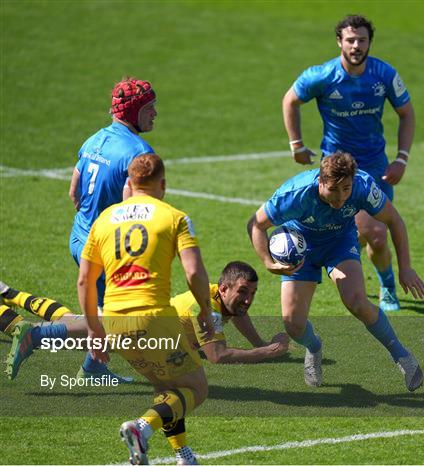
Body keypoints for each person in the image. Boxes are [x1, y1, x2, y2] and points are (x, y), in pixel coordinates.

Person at [247, 151, 424, 391]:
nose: (340, 197)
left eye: (346, 189)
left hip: (339, 243)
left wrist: (405, 267)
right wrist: (269, 263)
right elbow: (256, 224)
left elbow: (394, 220)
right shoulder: (294, 194)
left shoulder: (362, 186)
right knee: (293, 325)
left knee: (357, 301)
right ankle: (314, 348)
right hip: (301, 250)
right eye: (333, 190)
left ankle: (403, 357)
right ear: (320, 181)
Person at [78, 154, 214, 465]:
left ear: (130, 183)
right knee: (196, 388)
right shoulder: (174, 217)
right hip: (153, 317)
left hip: (113, 322)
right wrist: (205, 310)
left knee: (166, 388)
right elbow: (193, 272)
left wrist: (93, 329)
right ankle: (141, 429)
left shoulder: (104, 219)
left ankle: (182, 453)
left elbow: (85, 279)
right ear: (163, 184)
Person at [282, 14, 415, 312]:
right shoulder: (323, 76)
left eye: (362, 40)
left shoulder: (384, 74)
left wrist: (401, 159)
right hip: (337, 169)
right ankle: (374, 286)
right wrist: (296, 145)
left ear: (370, 42)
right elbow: (290, 100)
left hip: (375, 167)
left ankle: (386, 284)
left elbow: (407, 113)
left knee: (378, 239)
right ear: (340, 42)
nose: (356, 46)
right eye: (350, 40)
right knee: (373, 232)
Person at [2, 262, 289, 378]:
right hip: (139, 324)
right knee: (88, 329)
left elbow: (239, 314)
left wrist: (260, 342)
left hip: (147, 328)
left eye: (252, 293)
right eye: (243, 292)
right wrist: (266, 352)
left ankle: (11, 298)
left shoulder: (218, 294)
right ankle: (32, 333)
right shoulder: (207, 309)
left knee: (80, 324)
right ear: (224, 288)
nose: (248, 300)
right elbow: (218, 355)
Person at [68, 76, 158, 382]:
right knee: (127, 317)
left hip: (80, 239)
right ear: (134, 113)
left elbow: (74, 193)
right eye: (150, 109)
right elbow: (136, 208)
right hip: (106, 252)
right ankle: (36, 334)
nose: (155, 114)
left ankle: (94, 368)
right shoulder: (138, 152)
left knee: (111, 312)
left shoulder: (93, 140)